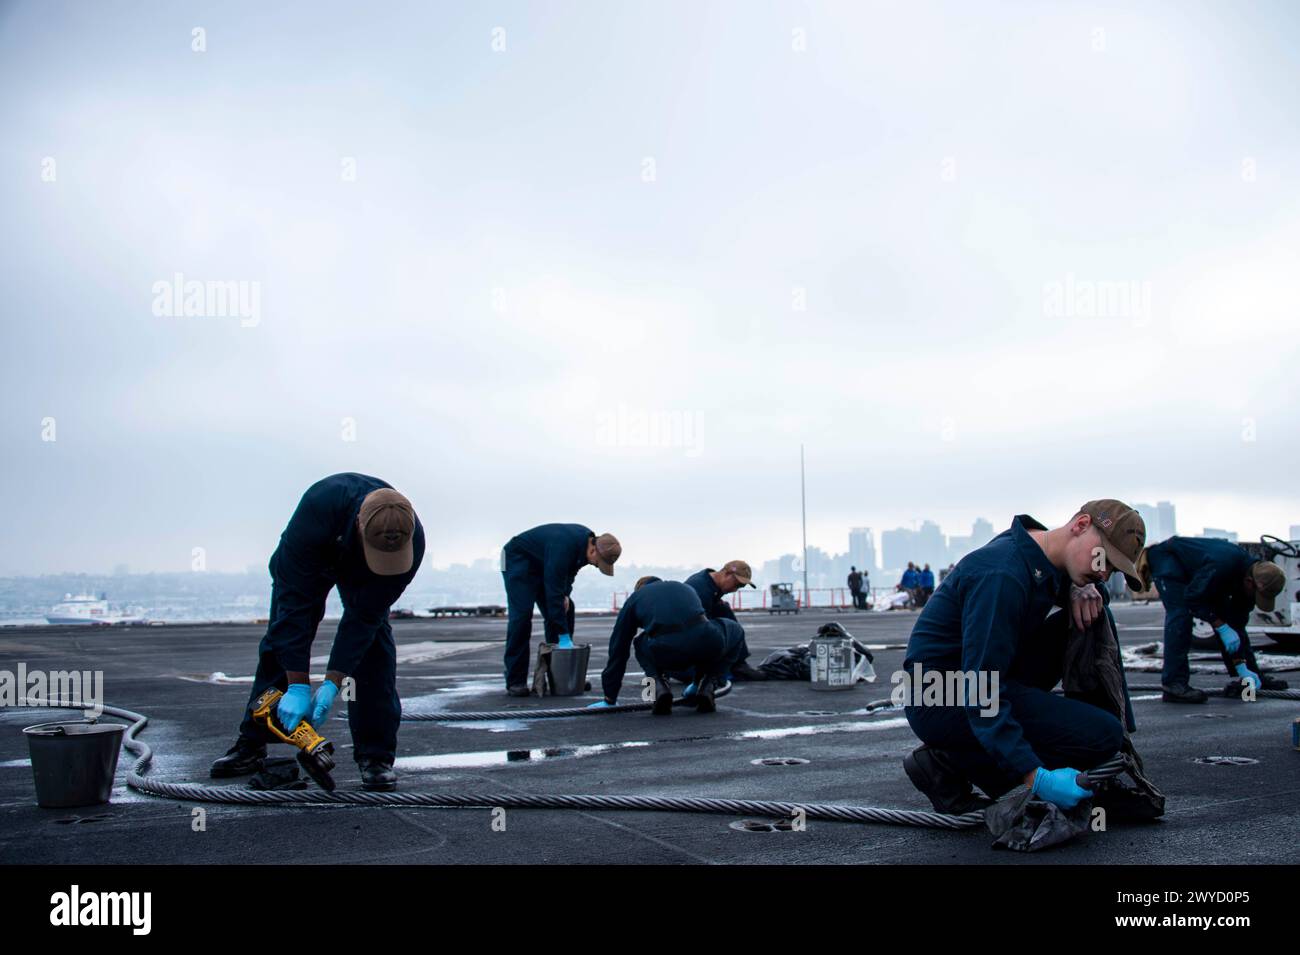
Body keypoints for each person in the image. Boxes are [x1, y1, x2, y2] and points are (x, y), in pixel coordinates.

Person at [901, 501, 1144, 814]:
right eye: (1103, 559)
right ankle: (949, 763)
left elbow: (1092, 592)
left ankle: (1101, 767)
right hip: (942, 697)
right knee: (1102, 736)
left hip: (982, 678)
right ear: (1080, 525)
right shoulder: (1002, 573)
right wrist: (1033, 776)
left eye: (1111, 569)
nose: (1103, 572)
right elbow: (980, 689)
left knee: (1095, 616)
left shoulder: (1036, 550)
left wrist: (1076, 589)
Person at [209, 473, 425, 792]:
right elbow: (294, 609)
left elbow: (364, 617)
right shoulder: (317, 511)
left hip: (363, 572)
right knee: (280, 642)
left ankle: (376, 756)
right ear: (358, 527)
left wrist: (332, 683)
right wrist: (297, 686)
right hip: (314, 554)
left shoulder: (412, 541)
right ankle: (252, 744)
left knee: (374, 647)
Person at [1141, 536, 1287, 703]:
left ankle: (1252, 675)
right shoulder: (1223, 565)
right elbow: (1193, 599)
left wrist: (1243, 668)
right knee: (1181, 615)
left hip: (1201, 571)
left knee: (1231, 623)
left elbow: (1237, 624)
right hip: (1169, 559)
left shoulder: (1249, 578)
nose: (1255, 599)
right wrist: (1221, 625)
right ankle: (1173, 685)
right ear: (1249, 583)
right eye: (1257, 595)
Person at [589, 576, 745, 714]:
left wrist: (610, 697)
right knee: (733, 630)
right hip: (707, 644)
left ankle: (656, 689)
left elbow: (619, 647)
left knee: (639, 642)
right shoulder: (683, 587)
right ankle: (707, 686)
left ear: (640, 590)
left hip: (667, 652)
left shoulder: (636, 598)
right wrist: (697, 680)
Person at [500, 524, 621, 696]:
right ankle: (515, 680)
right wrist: (563, 635)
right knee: (521, 616)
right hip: (517, 559)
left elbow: (568, 575)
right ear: (594, 551)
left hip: (544, 563)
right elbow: (552, 591)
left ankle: (560, 675)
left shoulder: (584, 545)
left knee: (566, 607)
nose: (595, 566)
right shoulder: (563, 547)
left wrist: (565, 594)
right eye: (598, 564)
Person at [682, 561, 765, 680]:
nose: (735, 590)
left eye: (741, 587)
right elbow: (700, 632)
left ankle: (739, 664)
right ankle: (733, 665)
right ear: (726, 574)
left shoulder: (711, 582)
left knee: (723, 609)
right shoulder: (701, 590)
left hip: (691, 636)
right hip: (684, 652)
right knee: (725, 629)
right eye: (737, 584)